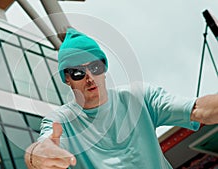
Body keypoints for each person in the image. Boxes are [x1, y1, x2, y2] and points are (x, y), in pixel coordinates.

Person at [24, 28, 218, 169]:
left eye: (95, 68)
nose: (90, 78)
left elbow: (197, 109)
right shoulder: (61, 121)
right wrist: (41, 156)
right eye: (77, 73)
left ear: (104, 68)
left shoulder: (140, 97)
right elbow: (43, 148)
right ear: (67, 79)